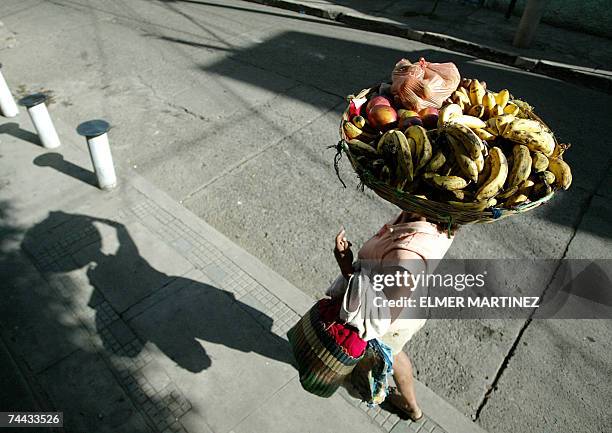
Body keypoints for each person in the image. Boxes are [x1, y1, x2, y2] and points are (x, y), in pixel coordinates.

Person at [329, 210, 455, 421]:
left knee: (378, 358)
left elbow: (380, 316)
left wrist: (346, 268)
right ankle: (411, 406)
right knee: (395, 353)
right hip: (408, 310)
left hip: (392, 322)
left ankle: (391, 399)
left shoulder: (406, 255)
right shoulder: (430, 220)